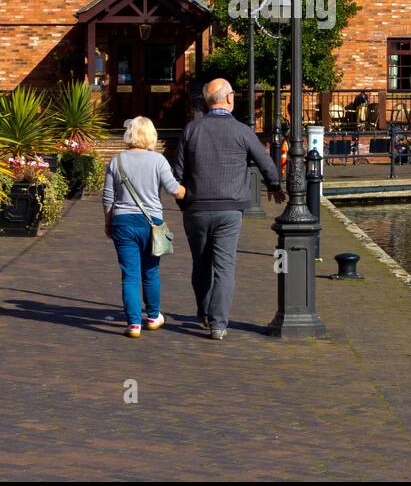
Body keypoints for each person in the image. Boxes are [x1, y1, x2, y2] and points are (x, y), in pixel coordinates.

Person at [172, 78, 283, 340]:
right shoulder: (242, 131)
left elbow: (177, 173)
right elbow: (265, 161)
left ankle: (203, 311)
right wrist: (275, 185)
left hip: (196, 209)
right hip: (230, 209)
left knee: (201, 263)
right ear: (230, 98)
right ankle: (218, 324)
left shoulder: (192, 130)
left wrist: (183, 203)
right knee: (225, 266)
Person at [102, 116, 185, 338]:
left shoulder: (116, 161)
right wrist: (187, 191)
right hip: (151, 223)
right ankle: (153, 316)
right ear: (151, 136)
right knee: (151, 271)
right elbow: (173, 189)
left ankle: (133, 324)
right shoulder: (158, 161)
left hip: (123, 221)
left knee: (129, 274)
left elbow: (108, 197)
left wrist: (108, 222)